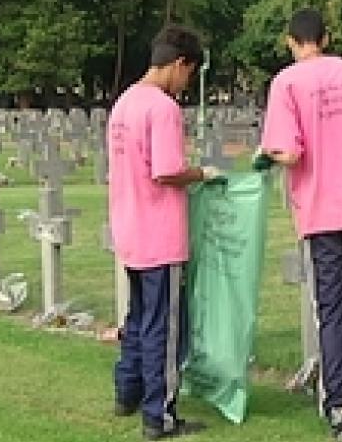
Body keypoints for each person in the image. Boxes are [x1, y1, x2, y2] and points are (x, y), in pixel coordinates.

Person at [258, 8, 342, 442]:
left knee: (331, 303)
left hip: (323, 204)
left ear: (290, 41)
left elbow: (290, 152)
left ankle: (338, 404)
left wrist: (268, 153)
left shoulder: (287, 82)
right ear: (326, 38)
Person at [108, 24, 222, 441]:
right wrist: (202, 174)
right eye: (188, 74)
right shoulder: (162, 107)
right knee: (164, 327)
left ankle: (127, 392)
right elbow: (167, 170)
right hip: (160, 235)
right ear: (179, 64)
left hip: (129, 228)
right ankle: (161, 415)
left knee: (137, 317)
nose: (186, 83)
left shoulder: (124, 102)